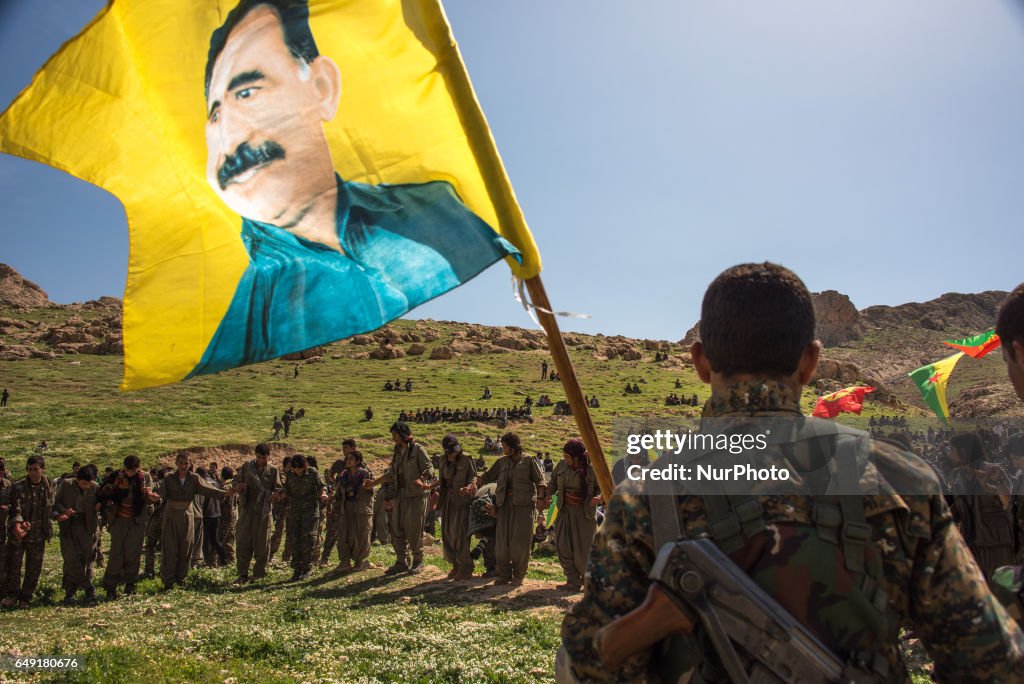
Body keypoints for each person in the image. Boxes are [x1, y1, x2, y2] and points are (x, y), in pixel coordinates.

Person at [559, 262, 1024, 683]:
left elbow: (591, 665)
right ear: (810, 362)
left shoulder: (647, 495)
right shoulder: (900, 478)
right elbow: (989, 663)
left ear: (700, 362)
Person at [190, 0, 520, 376]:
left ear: (321, 88)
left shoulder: (435, 221)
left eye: (248, 92)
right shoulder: (240, 304)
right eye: (216, 114)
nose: (230, 135)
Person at [474, 432, 545, 586]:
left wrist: (540, 499)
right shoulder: (502, 462)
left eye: (506, 447)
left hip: (523, 507)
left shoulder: (528, 461)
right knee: (501, 543)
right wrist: (475, 481)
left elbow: (540, 482)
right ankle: (504, 574)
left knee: (520, 543)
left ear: (514, 447)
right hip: (504, 506)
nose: (504, 450)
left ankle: (519, 575)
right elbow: (487, 476)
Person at [946, 432, 1015, 585]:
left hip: (996, 545)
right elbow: (957, 509)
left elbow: (1011, 504)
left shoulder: (994, 472)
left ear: (963, 451)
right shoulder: (959, 476)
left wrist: (990, 486)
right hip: (971, 544)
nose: (949, 454)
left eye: (951, 449)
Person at [157, 453, 227, 589]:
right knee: (170, 548)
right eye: (181, 463)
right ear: (176, 463)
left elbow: (208, 489)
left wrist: (223, 493)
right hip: (171, 515)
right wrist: (154, 498)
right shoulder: (169, 479)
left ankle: (181, 579)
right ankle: (168, 581)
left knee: (186, 546)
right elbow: (161, 495)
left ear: (189, 465)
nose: (183, 466)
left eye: (186, 463)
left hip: (187, 515)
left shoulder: (194, 479)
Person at [372, 421, 434, 574]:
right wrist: (373, 483)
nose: (393, 438)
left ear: (402, 434)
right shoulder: (398, 451)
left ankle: (418, 561)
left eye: (395, 435)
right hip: (400, 496)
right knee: (397, 528)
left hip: (416, 496)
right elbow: (391, 473)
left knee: (414, 529)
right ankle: (402, 561)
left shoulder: (418, 449)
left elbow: (429, 469)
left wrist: (421, 479)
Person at [98, 455, 159, 598]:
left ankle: (130, 584)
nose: (130, 473)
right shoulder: (116, 476)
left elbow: (148, 496)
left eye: (133, 470)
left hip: (137, 520)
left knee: (133, 553)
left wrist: (151, 497)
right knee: (116, 553)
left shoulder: (144, 477)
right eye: (128, 470)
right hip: (119, 520)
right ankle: (111, 586)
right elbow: (104, 492)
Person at [549, 439, 600, 592]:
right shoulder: (561, 465)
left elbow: (605, 486)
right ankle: (572, 580)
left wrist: (600, 496)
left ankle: (588, 582)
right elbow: (552, 483)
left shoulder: (593, 468)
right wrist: (545, 495)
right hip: (564, 511)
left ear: (576, 457)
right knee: (563, 545)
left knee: (583, 550)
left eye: (567, 456)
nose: (565, 459)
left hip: (584, 514)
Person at [2, 456, 53, 609]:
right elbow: (14, 508)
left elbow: (51, 505)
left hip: (38, 534)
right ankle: (12, 595)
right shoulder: (17, 486)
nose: (32, 473)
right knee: (14, 566)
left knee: (34, 567)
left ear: (42, 469)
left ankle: (26, 597)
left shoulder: (49, 485)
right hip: (19, 534)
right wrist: (18, 523)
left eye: (36, 469)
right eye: (30, 469)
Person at [232, 444, 282, 583]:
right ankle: (242, 573)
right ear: (255, 455)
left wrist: (276, 495)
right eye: (260, 457)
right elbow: (236, 481)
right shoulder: (247, 467)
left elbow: (278, 488)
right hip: (247, 508)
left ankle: (259, 573)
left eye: (265, 458)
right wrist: (238, 486)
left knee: (262, 543)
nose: (262, 460)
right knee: (243, 541)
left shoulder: (272, 470)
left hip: (264, 511)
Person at [53, 466, 100, 605]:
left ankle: (71, 592)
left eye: (89, 484)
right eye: (84, 484)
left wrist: (100, 505)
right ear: (77, 480)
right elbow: (56, 503)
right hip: (69, 525)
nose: (86, 487)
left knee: (84, 559)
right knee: (70, 558)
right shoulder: (66, 484)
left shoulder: (95, 487)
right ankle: (87, 587)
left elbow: (101, 501)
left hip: (87, 526)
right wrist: (64, 511)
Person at [281, 454, 328, 581]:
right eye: (296, 469)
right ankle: (297, 568)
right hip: (295, 511)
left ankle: (307, 567)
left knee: (308, 538)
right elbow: (287, 490)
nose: (298, 472)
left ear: (305, 466)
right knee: (295, 538)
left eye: (300, 469)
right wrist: (282, 497)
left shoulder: (313, 473)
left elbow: (322, 487)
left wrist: (323, 495)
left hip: (310, 511)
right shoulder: (290, 475)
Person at [438, 434, 478, 581]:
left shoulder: (467, 459)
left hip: (462, 502)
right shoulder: (443, 460)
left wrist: (469, 487)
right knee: (447, 533)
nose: (453, 454)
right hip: (447, 500)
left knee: (460, 534)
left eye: (455, 450)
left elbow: (474, 477)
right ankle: (455, 564)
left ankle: (466, 567)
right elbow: (442, 480)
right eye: (450, 452)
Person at [336, 449, 373, 573]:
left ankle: (359, 561)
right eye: (347, 459)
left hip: (361, 507)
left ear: (358, 461)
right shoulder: (343, 475)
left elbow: (370, 490)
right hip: (346, 507)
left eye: (351, 459)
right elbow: (338, 491)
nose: (348, 461)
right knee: (344, 534)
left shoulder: (365, 474)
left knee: (361, 534)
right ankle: (345, 561)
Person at [218, 466, 237, 565]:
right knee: (230, 538)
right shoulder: (233, 486)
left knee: (222, 539)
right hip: (233, 515)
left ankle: (223, 561)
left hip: (224, 516)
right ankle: (231, 560)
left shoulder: (224, 487)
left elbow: (220, 501)